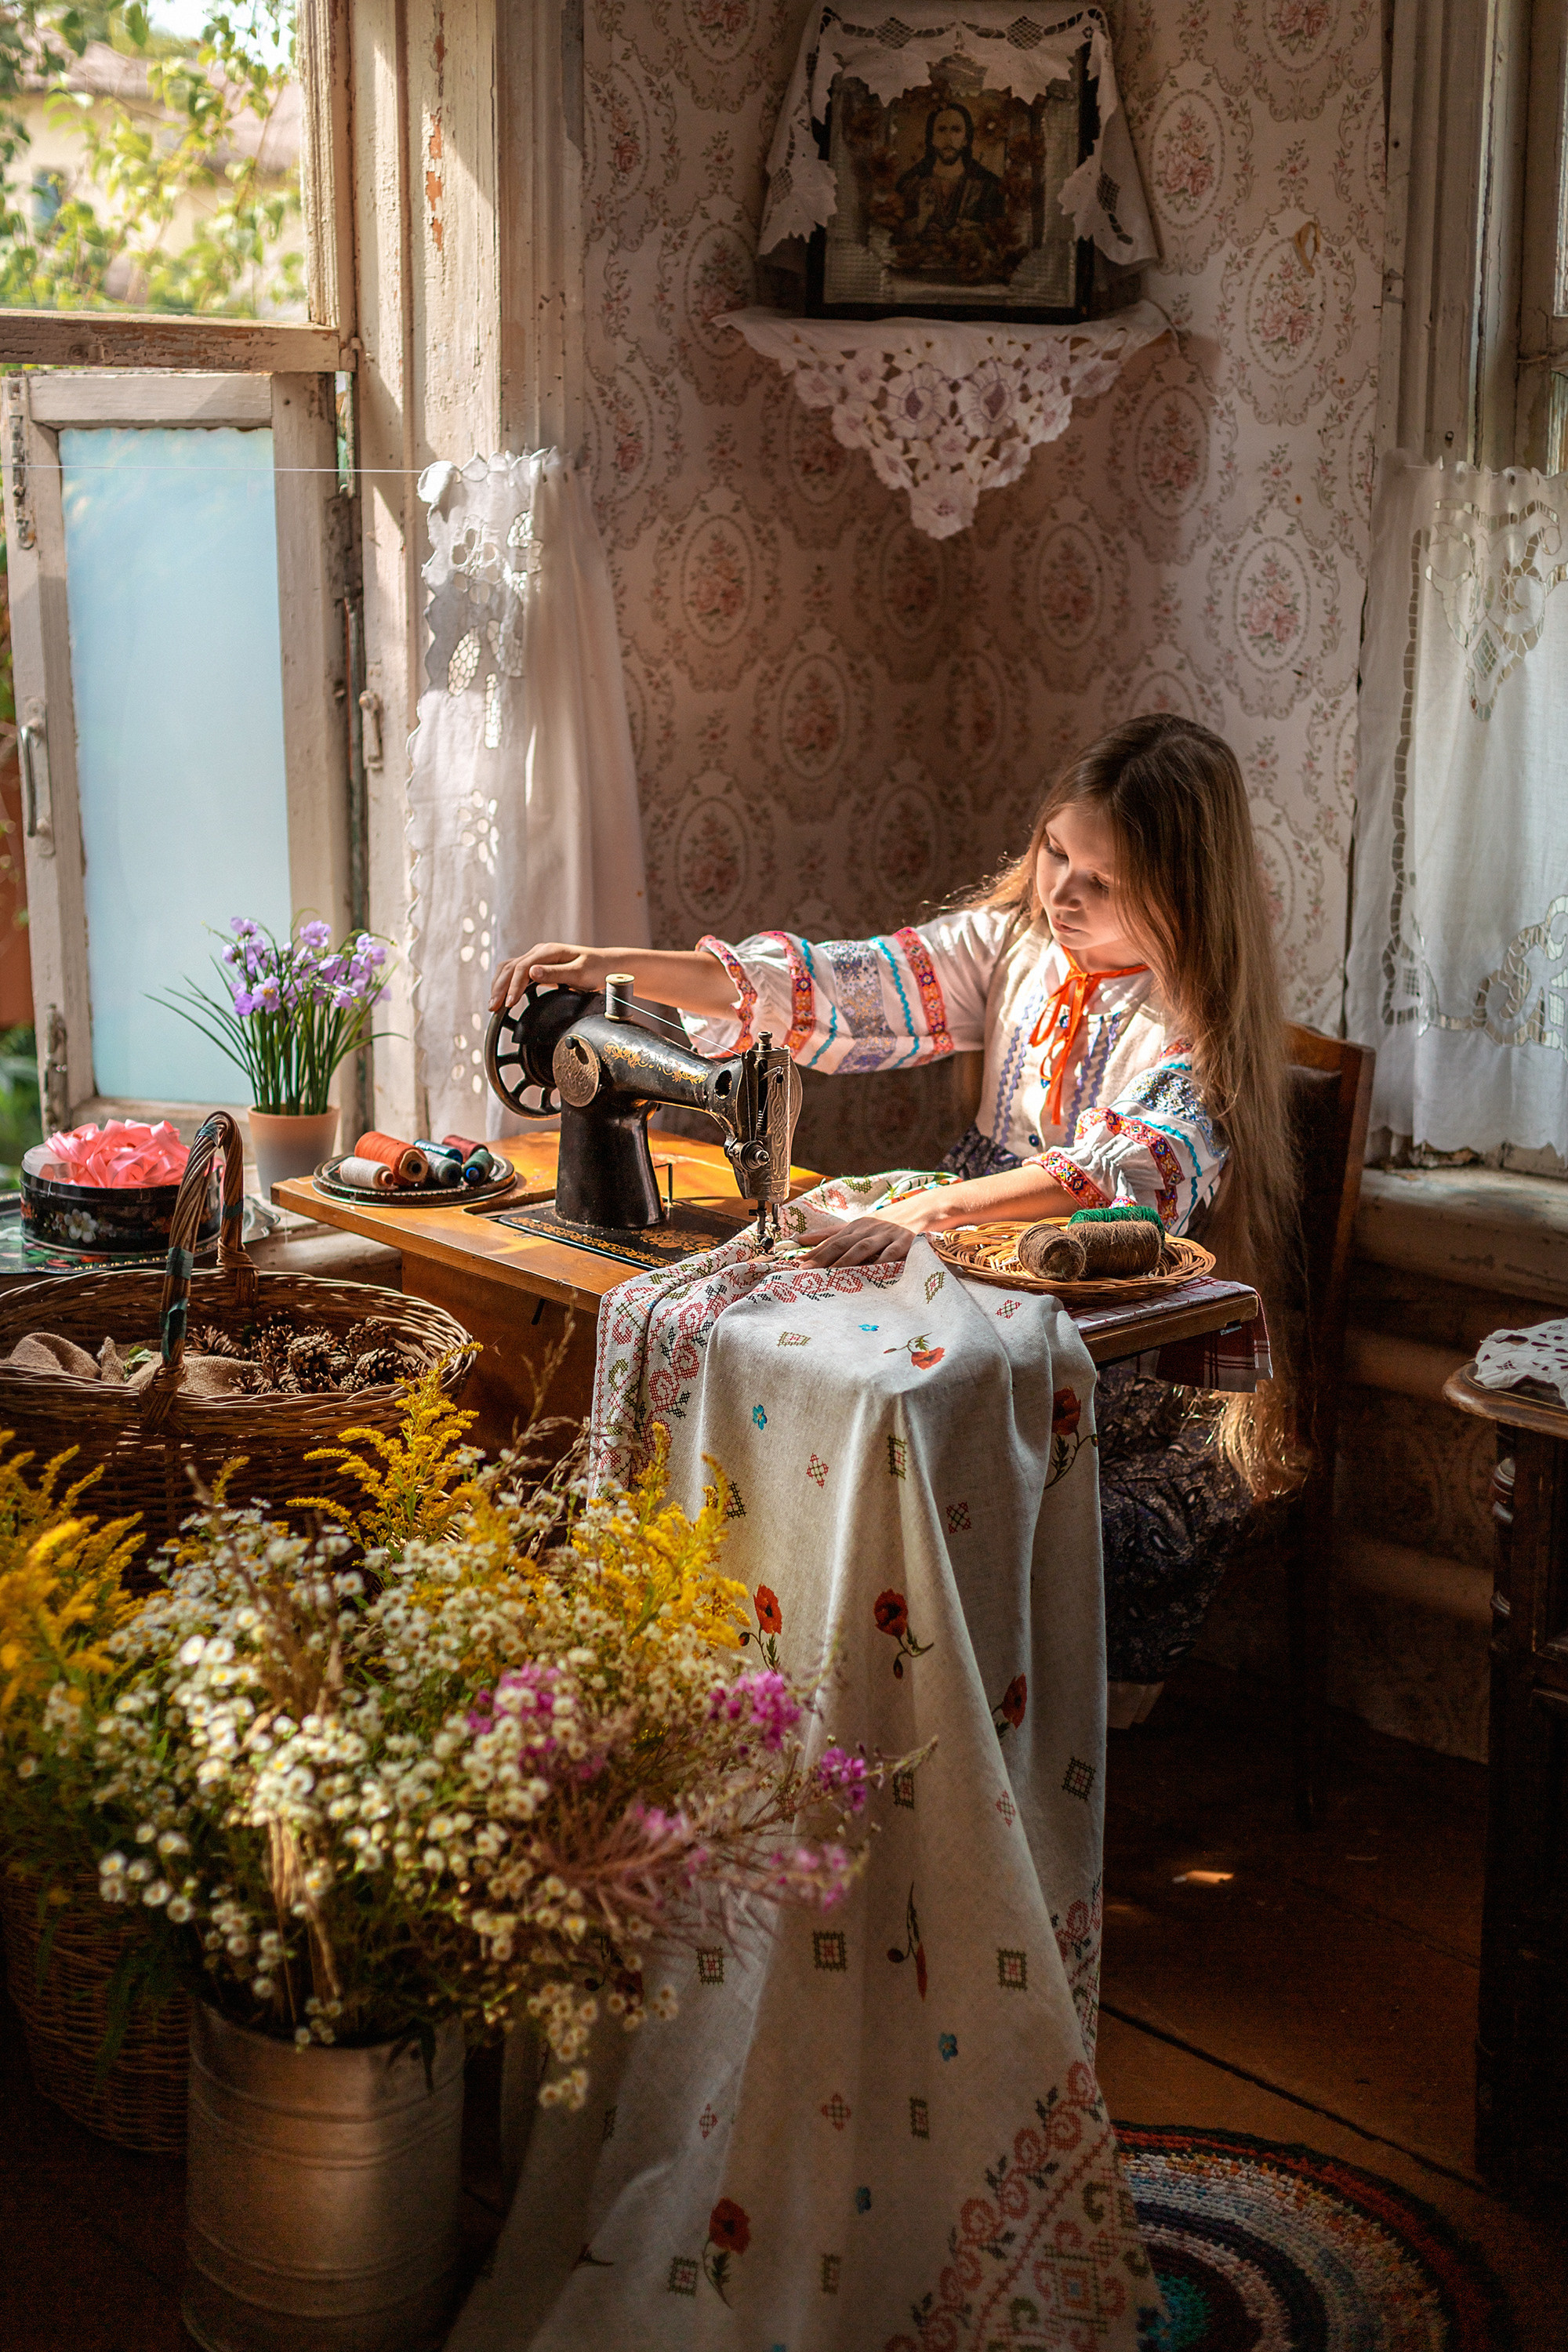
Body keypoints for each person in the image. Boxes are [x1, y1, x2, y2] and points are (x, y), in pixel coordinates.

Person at [492, 713, 1299, 1668]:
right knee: (769, 1346)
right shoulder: (1011, 948)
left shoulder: (1192, 1025)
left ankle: (884, 1695)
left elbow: (1124, 1172)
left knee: (880, 1415)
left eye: (1103, 881)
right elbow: (837, 984)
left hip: (1100, 1315)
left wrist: (932, 1210)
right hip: (962, 1254)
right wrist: (613, 970)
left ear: (1185, 893)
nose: (1060, 894)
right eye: (1054, 853)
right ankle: (765, 1661)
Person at [891, 99, 1007, 274]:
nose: (949, 138)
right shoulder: (911, 184)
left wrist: (970, 232)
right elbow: (892, 238)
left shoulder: (987, 185)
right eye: (942, 130)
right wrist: (920, 221)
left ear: (966, 139)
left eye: (956, 130)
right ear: (932, 138)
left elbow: (999, 236)